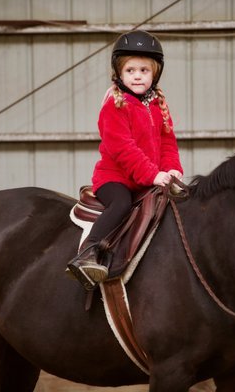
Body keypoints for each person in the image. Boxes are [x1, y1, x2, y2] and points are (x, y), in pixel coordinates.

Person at [66, 30, 183, 291]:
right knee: (120, 204)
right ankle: (88, 253)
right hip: (114, 178)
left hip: (150, 177)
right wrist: (153, 174)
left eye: (144, 70)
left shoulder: (158, 105)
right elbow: (123, 149)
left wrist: (172, 169)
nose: (138, 75)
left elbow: (167, 142)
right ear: (119, 73)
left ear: (155, 74)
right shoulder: (115, 106)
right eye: (131, 70)